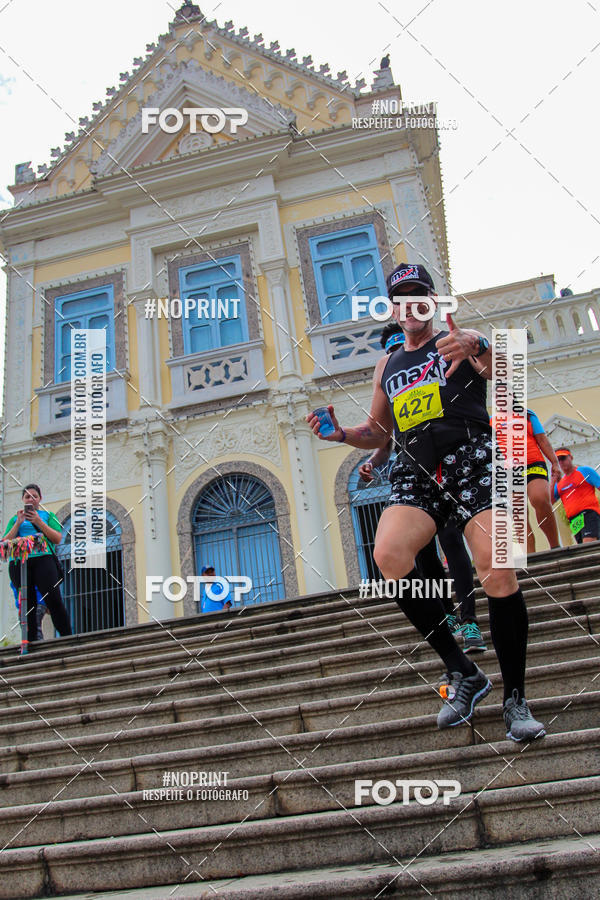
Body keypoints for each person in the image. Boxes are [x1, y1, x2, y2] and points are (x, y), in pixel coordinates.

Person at [307, 262, 545, 742]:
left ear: (434, 302)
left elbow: (507, 373)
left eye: (421, 295)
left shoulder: (460, 340)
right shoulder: (387, 364)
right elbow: (379, 431)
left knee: (497, 570)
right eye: (402, 297)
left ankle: (516, 700)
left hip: (474, 463)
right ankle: (465, 673)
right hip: (416, 473)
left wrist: (478, 345)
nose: (411, 304)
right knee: (388, 554)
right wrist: (341, 434)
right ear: (393, 308)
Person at [359, 322, 486, 653]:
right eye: (392, 346)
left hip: (455, 464)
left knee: (452, 542)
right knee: (422, 555)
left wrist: (477, 344)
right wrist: (373, 461)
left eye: (401, 342)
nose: (399, 348)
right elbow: (382, 437)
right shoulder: (389, 378)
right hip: (414, 475)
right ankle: (446, 616)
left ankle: (469, 619)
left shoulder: (442, 360)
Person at [3, 484, 72, 648]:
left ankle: (67, 637)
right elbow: (5, 543)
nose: (31, 499)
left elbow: (56, 538)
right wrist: (18, 523)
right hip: (21, 562)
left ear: (40, 499)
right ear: (22, 500)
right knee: (28, 603)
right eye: (27, 496)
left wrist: (38, 522)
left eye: (34, 496)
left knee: (53, 598)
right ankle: (30, 641)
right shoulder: (16, 518)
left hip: (44, 559)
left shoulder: (48, 515)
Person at [492, 409, 561, 553]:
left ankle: (555, 546)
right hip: (509, 470)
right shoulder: (491, 420)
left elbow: (542, 439)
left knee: (540, 498)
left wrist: (554, 462)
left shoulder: (528, 415)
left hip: (533, 463)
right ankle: (530, 555)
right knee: (518, 513)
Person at [551, 448, 600, 544]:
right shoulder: (560, 483)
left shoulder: (585, 471)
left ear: (571, 457)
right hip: (574, 520)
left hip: (589, 513)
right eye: (559, 460)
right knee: (583, 548)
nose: (561, 462)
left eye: (563, 458)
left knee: (588, 546)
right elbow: (550, 501)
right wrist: (552, 481)